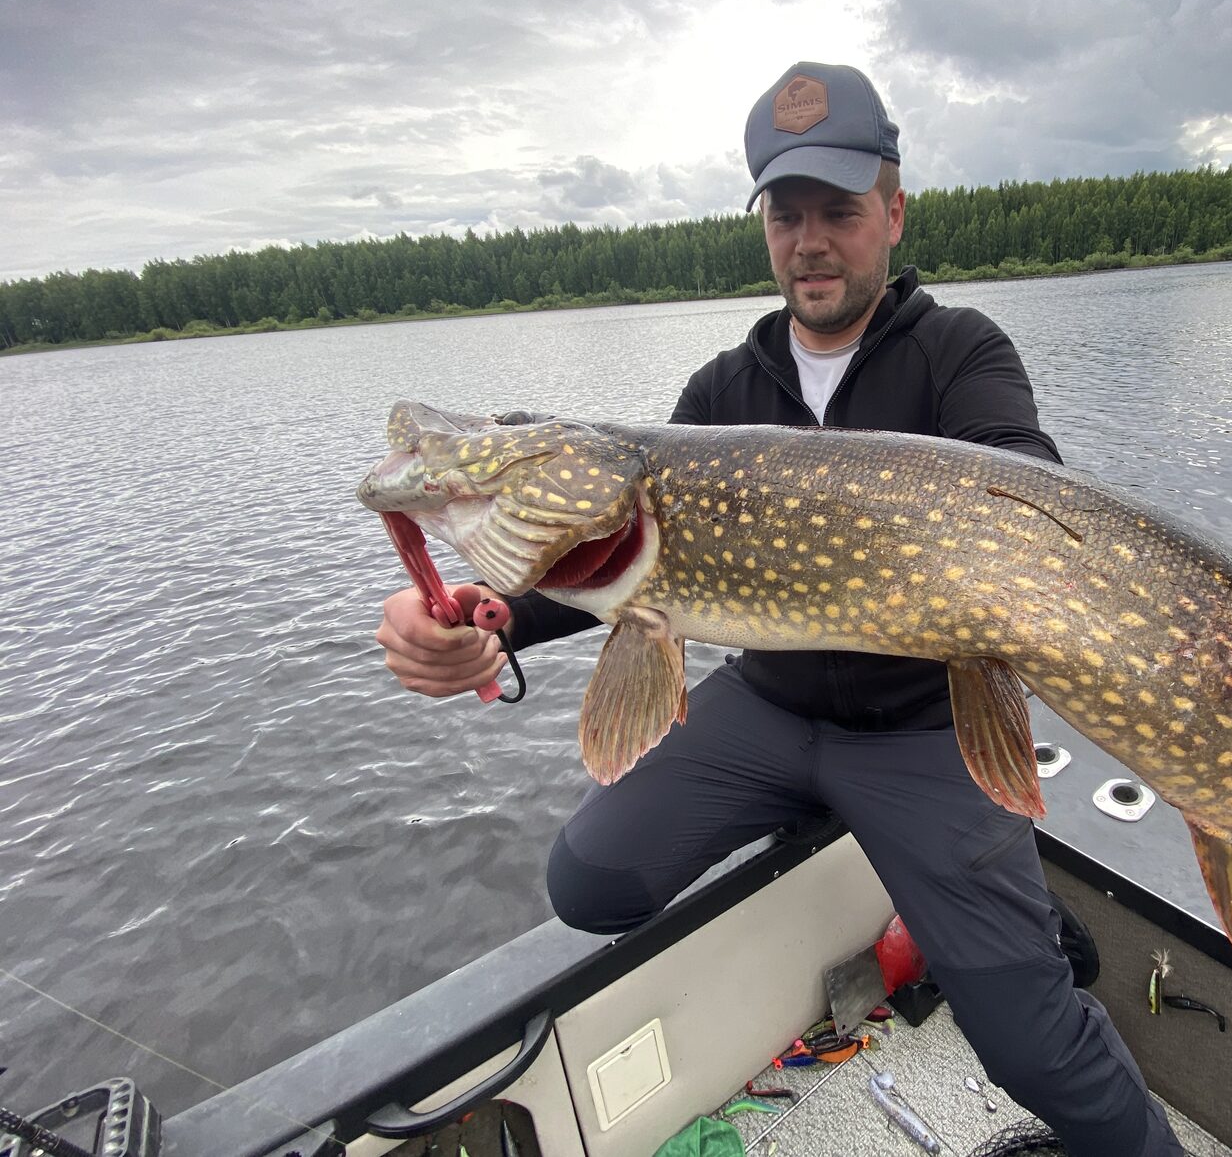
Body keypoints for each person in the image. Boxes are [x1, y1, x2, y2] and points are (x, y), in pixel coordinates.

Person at [376, 62, 1182, 1157]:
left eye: (839, 212)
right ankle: (924, 879)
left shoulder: (961, 353)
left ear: (892, 216)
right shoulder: (719, 394)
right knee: (590, 879)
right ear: (765, 229)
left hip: (922, 728)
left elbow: (1024, 497)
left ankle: (1056, 1002)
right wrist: (489, 620)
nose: (811, 240)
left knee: (1028, 1042)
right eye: (787, 213)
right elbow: (621, 563)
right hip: (768, 708)